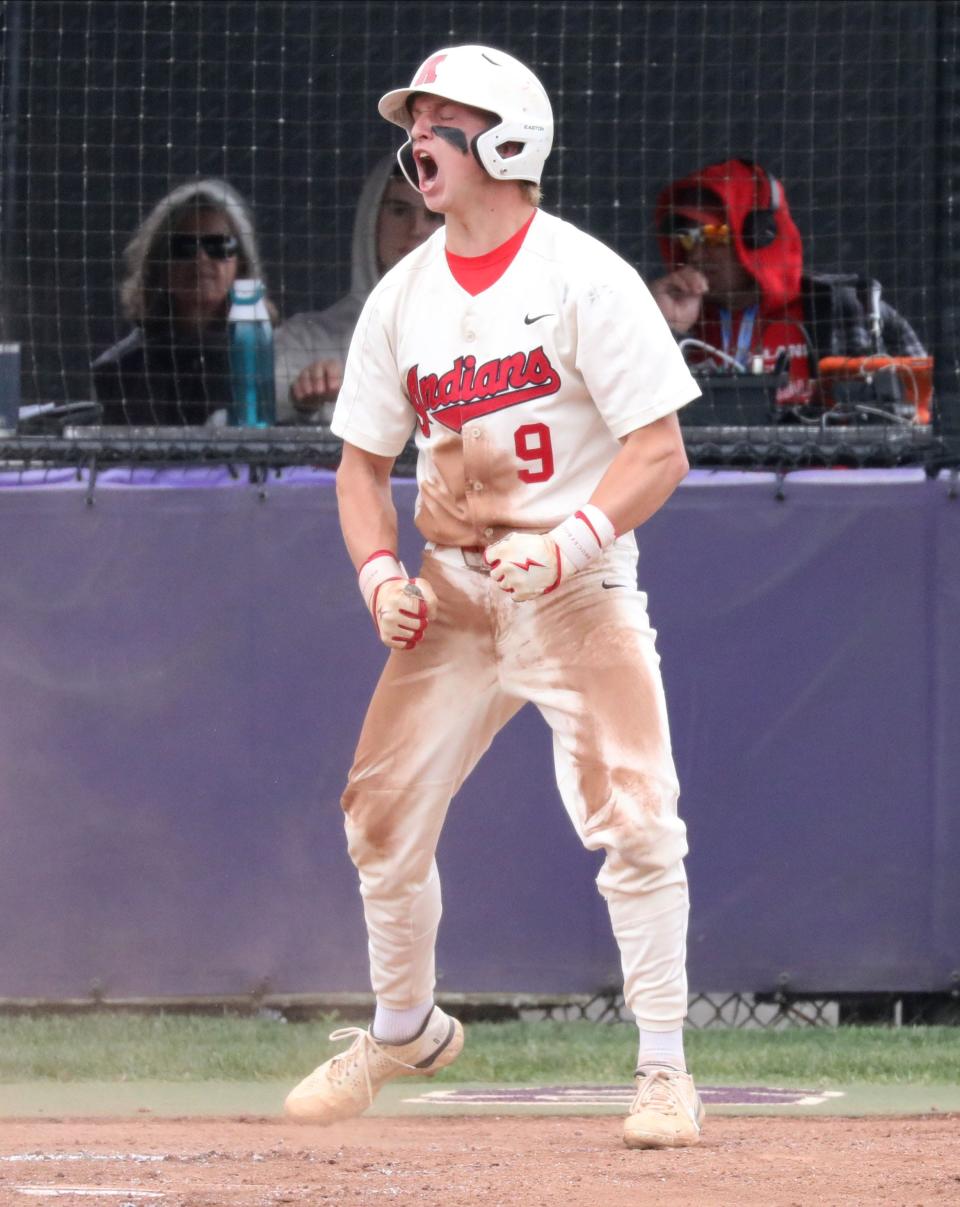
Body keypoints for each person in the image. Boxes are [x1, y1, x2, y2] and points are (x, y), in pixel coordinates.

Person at [283, 46, 705, 1151]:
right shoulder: (404, 297)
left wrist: (571, 540)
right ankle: (403, 1028)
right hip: (458, 595)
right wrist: (379, 575)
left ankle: (665, 1069)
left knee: (639, 817)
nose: (416, 140)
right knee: (378, 822)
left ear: (508, 139)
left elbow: (659, 453)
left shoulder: (583, 275)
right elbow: (361, 466)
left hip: (577, 589)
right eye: (413, 121)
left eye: (442, 122)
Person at [650, 159, 926, 406]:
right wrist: (661, 329)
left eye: (714, 235)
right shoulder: (674, 317)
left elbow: (923, 413)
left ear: (761, 236)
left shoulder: (850, 309)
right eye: (689, 237)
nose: (696, 254)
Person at [273, 155, 443, 422]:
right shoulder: (307, 341)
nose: (416, 229)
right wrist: (299, 397)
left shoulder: (482, 333)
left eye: (433, 215)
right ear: (372, 217)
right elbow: (240, 413)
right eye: (399, 210)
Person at [93, 178, 272, 425]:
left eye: (218, 245)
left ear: (240, 263)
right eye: (183, 248)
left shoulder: (264, 355)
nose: (200, 258)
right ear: (159, 265)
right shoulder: (119, 369)